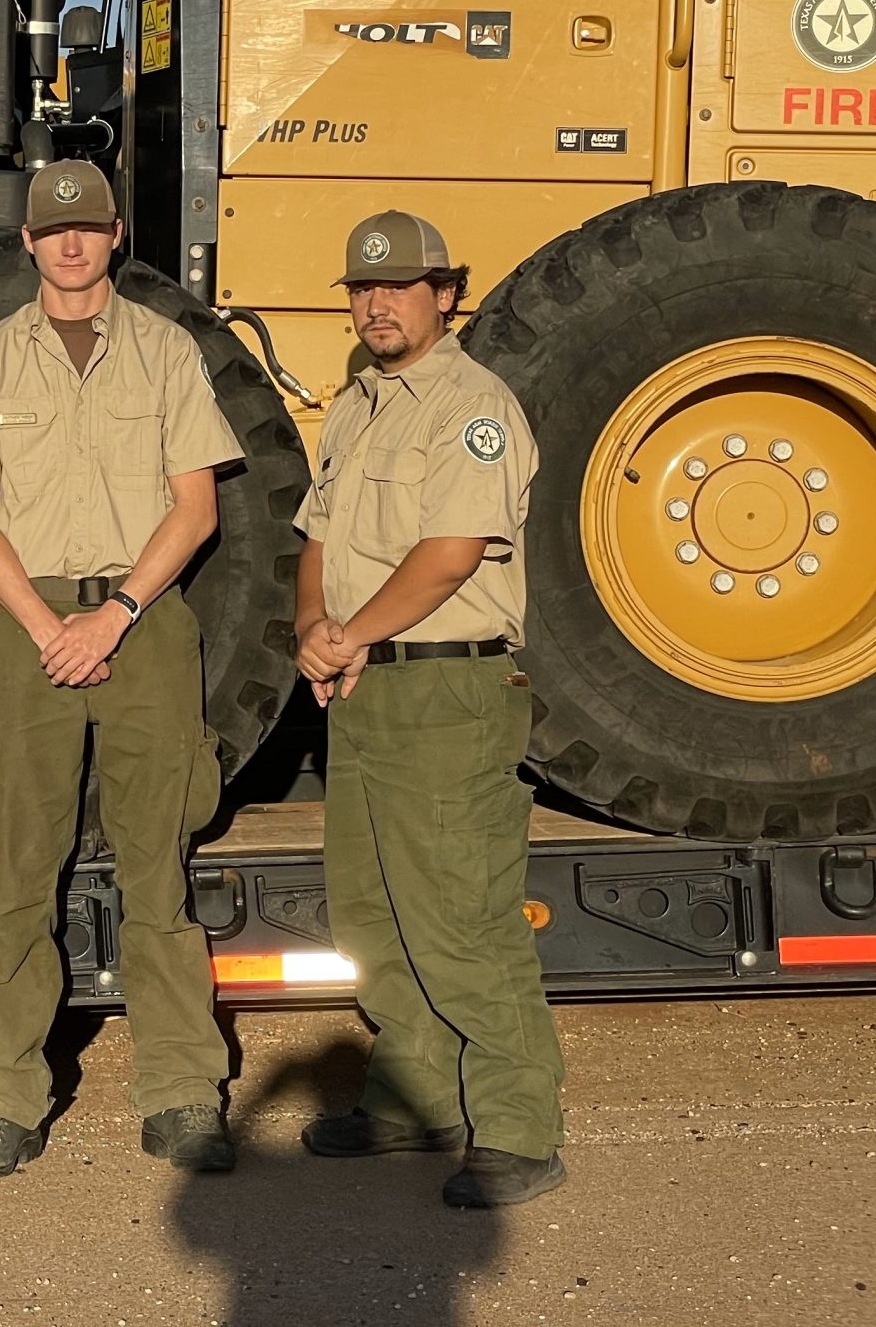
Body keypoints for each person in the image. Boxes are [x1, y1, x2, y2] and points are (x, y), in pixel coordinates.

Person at [0, 159, 245, 1178]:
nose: (69, 244)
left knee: (159, 872)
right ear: (26, 242)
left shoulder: (163, 353)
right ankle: (5, 1097)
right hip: (27, 627)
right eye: (51, 229)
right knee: (19, 874)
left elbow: (195, 507)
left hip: (142, 624)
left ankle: (184, 1093)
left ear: (113, 237)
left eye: (87, 228)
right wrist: (46, 622)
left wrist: (111, 615)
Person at [294, 209, 566, 1207]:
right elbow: (316, 533)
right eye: (362, 289)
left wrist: (348, 632)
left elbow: (452, 553)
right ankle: (416, 1100)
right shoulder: (358, 404)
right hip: (364, 683)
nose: (376, 303)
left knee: (461, 918)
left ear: (444, 296)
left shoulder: (472, 406)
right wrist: (311, 630)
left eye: (398, 287)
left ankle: (516, 1125)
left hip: (448, 685)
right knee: (372, 915)